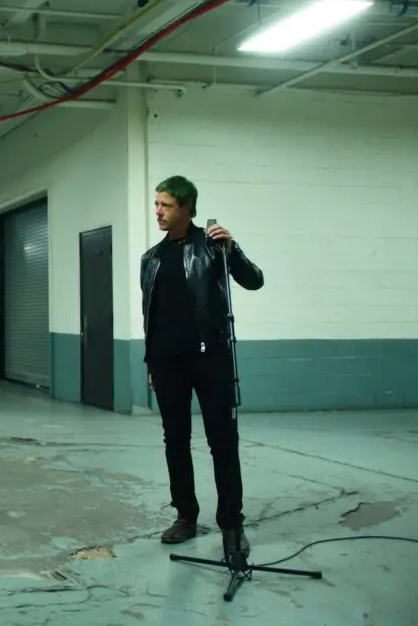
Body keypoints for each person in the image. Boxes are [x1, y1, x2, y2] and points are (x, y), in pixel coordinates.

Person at [140, 175, 264, 563]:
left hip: (211, 360)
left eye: (166, 205)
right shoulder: (151, 259)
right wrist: (151, 363)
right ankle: (185, 516)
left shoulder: (213, 247)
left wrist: (233, 249)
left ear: (187, 209)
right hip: (167, 364)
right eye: (156, 204)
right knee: (175, 441)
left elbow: (254, 281)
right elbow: (150, 317)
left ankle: (232, 525)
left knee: (222, 442)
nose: (158, 211)